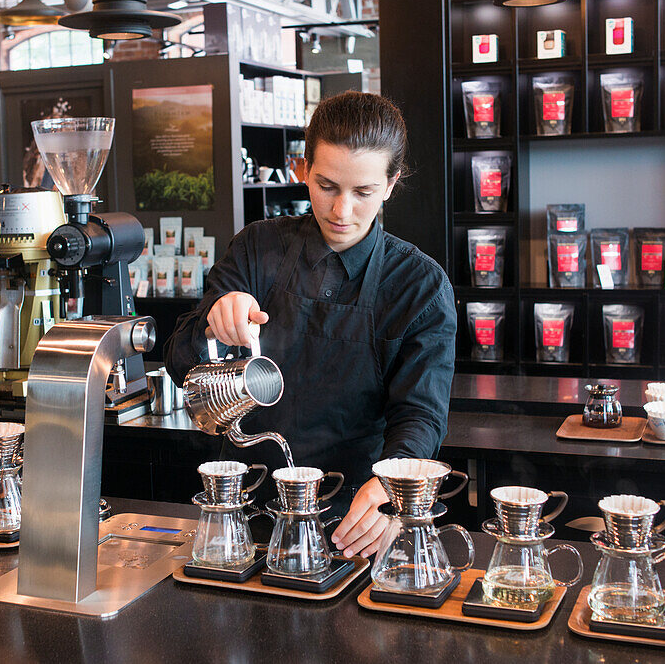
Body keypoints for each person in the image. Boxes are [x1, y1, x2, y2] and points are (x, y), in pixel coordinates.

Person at [164, 91, 456, 559]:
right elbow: (181, 363)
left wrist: (393, 492)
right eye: (326, 186)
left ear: (391, 183)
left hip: (356, 520)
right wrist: (210, 327)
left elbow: (419, 415)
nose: (342, 211)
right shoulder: (257, 249)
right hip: (242, 510)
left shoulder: (419, 285)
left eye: (363, 193)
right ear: (303, 169)